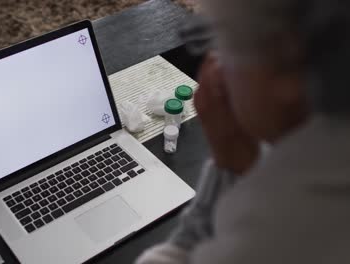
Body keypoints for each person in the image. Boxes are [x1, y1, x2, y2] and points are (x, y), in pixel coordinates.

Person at [136, 0, 350, 263]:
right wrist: (234, 161)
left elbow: (187, 255)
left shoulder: (273, 234)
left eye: (222, 45)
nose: (215, 65)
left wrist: (226, 160)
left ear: (287, 82)